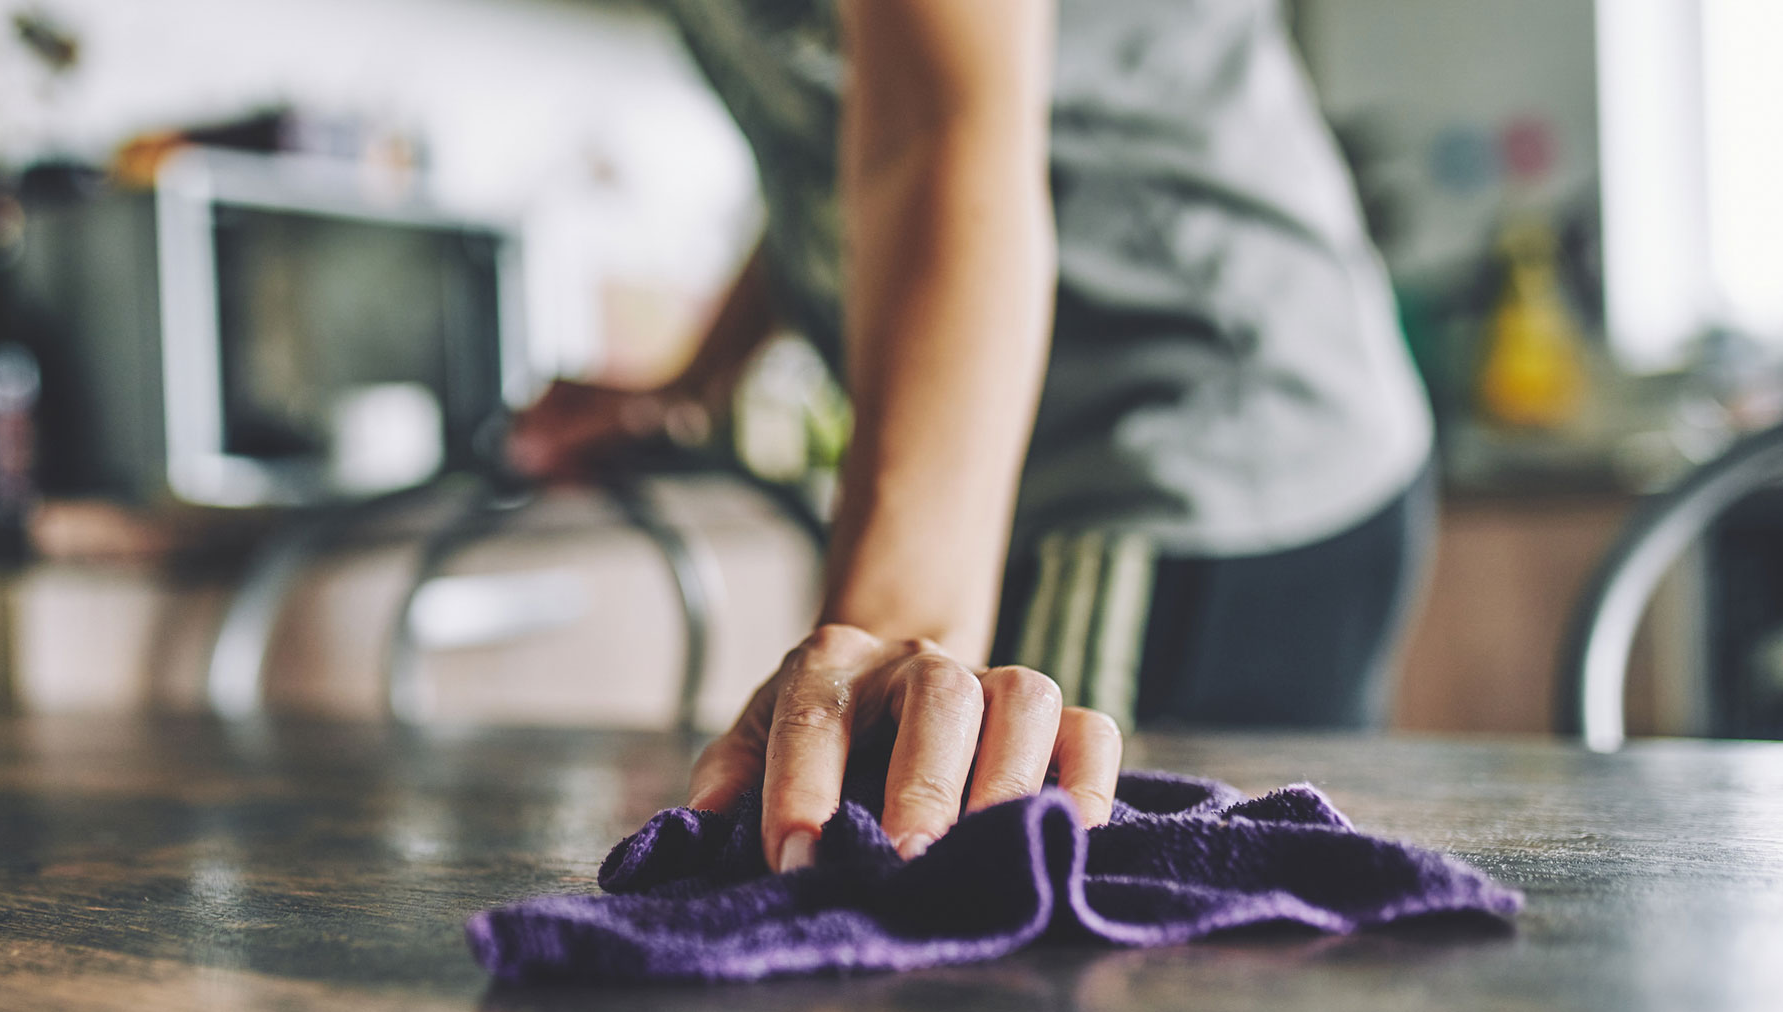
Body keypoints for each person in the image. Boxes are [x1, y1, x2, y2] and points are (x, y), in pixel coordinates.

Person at [508, 0, 1433, 875]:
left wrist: (889, 644)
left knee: (1023, 898)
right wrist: (696, 379)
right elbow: (849, 149)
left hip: (1197, 432)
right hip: (1082, 460)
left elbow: (935, 135)